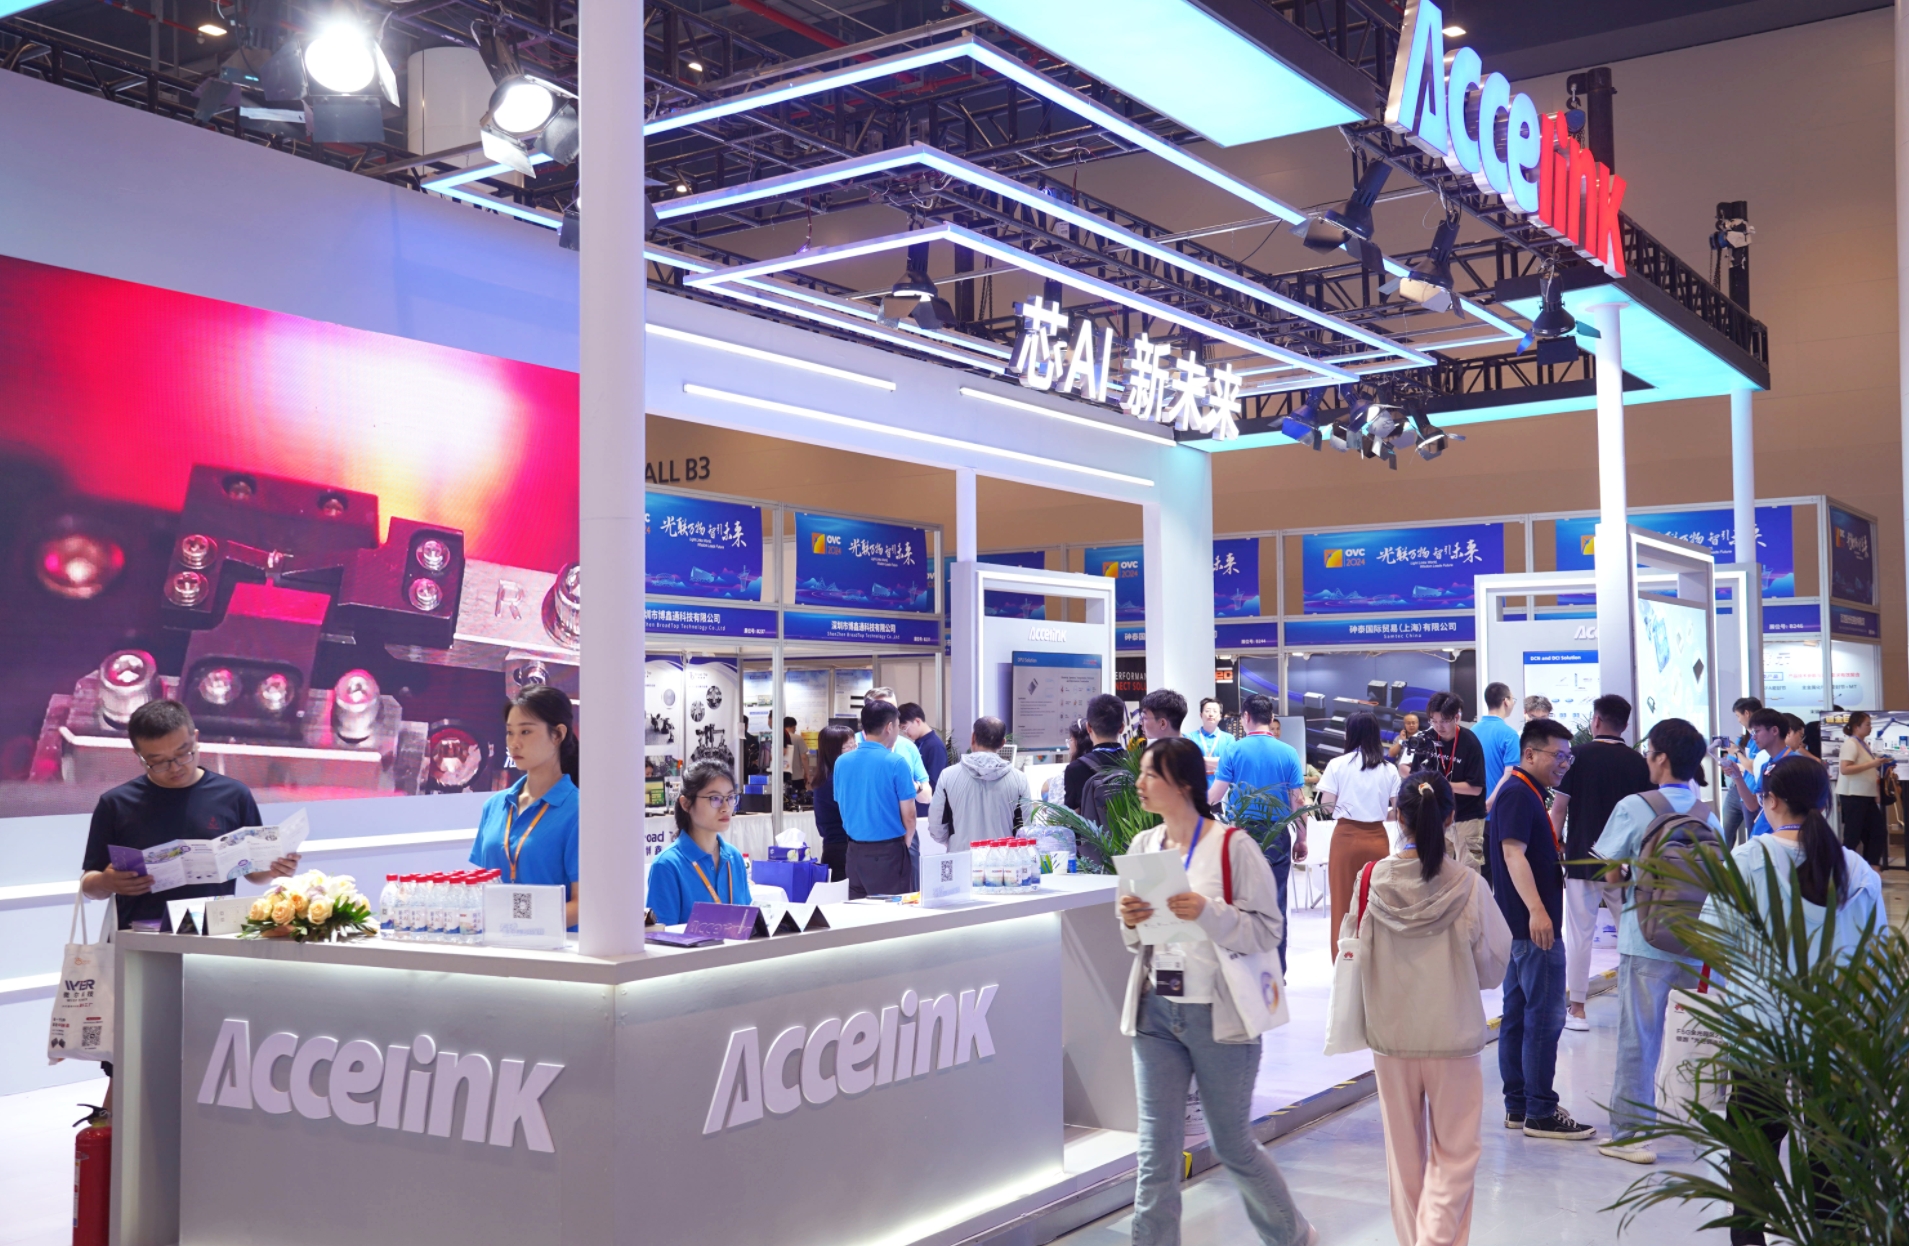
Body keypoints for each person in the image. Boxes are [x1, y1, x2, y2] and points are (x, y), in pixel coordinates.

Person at [1116, 738, 1316, 1246]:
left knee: (1232, 1145)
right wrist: (1131, 921)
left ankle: (1293, 1235)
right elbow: (1135, 940)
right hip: (1155, 1012)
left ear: (1183, 784)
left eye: (1150, 774)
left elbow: (1268, 930)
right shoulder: (1144, 847)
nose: (1139, 783)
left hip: (1220, 1015)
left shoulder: (1232, 847)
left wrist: (1208, 912)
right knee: (1155, 1153)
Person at [1701, 753, 1885, 1245]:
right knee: (1832, 1151)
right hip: (1838, 1030)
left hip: (1761, 1028)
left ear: (1772, 801)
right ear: (1824, 802)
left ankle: (1749, 1238)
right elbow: (1875, 956)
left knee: (1753, 1145)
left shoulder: (1748, 860)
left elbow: (1713, 941)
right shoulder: (1857, 868)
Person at [1362, 772, 1512, 1246]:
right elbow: (1493, 964)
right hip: (1452, 1034)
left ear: (1398, 817)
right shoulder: (1468, 885)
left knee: (1403, 1157)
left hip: (1390, 1035)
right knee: (1456, 1154)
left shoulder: (1372, 879)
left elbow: (1356, 952)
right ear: (1450, 818)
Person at [1588, 716, 1719, 1164]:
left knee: (1638, 1037)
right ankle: (1704, 1119)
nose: (1646, 757)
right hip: (1695, 939)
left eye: (1649, 751)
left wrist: (1629, 882)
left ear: (1662, 758)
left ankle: (1630, 1135)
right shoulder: (1707, 814)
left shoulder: (1634, 806)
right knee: (1699, 1033)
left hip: (1643, 938)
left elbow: (1607, 870)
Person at [81, 699, 300, 931]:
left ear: (195, 738)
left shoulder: (234, 795)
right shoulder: (116, 803)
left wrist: (274, 869)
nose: (175, 768)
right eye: (158, 762)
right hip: (138, 938)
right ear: (139, 755)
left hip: (213, 933)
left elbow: (254, 874)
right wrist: (105, 882)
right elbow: (89, 885)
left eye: (183, 753)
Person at [1488, 716, 1595, 1141]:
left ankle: (1519, 1106)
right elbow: (1513, 854)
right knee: (1544, 1017)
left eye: (1568, 757)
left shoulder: (1524, 790)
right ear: (1530, 753)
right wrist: (1538, 910)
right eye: (1559, 755)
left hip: (1519, 927)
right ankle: (1540, 1111)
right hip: (1532, 927)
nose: (1564, 764)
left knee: (1518, 1015)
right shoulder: (1518, 792)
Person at [1550, 694, 1652, 1032]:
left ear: (1595, 721)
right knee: (1631, 934)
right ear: (1625, 725)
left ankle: (1577, 1008)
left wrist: (1553, 846)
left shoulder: (1576, 757)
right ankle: (1634, 1004)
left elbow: (1559, 810)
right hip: (1624, 862)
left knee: (1579, 934)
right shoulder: (1639, 763)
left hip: (1582, 855)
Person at [1209, 693, 1309, 971]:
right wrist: (1302, 839)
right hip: (1277, 834)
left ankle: (1246, 968)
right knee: (1276, 902)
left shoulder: (1233, 750)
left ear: (1246, 717)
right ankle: (1276, 971)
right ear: (1271, 718)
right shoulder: (1288, 752)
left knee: (1241, 902)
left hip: (1241, 835)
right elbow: (1298, 801)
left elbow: (1215, 795)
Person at [469, 686, 582, 929]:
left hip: (556, 947)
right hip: (494, 944)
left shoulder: (580, 811)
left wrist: (518, 922)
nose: (514, 743)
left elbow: (584, 904)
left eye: (526, 732)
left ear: (558, 735)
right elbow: (482, 885)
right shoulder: (494, 806)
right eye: (510, 732)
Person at [1314, 712, 1399, 968]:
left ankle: (1344, 966)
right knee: (1377, 905)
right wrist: (1379, 812)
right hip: (1378, 840)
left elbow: (1326, 808)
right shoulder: (1389, 768)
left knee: (1342, 904)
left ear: (1349, 734)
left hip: (1345, 840)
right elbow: (1399, 811)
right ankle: (1376, 967)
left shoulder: (1337, 765)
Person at [647, 759, 753, 925]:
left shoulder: (734, 857)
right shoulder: (667, 865)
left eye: (730, 797)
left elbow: (747, 923)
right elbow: (661, 936)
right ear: (686, 804)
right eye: (715, 798)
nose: (725, 807)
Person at [834, 700, 918, 898]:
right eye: (897, 726)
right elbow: (909, 816)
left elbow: (842, 804)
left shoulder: (841, 762)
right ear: (889, 727)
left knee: (860, 910)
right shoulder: (896, 762)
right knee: (891, 911)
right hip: (888, 853)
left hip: (854, 852)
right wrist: (905, 845)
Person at [928, 716, 1031, 853]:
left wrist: (955, 841)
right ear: (1003, 743)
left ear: (973, 738)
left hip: (961, 858)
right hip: (1004, 860)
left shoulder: (947, 776)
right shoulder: (1019, 779)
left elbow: (936, 825)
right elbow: (1025, 829)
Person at [1411, 693, 1488, 871]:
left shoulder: (1470, 742)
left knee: (1471, 869)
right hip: (1437, 816)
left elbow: (1476, 788)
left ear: (1457, 717)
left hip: (1468, 819)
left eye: (1444, 721)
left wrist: (1441, 785)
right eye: (1434, 721)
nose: (1439, 726)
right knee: (1436, 869)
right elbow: (1415, 776)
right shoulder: (1426, 739)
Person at [1725, 709, 1792, 840]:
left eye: (1757, 731)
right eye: (1753, 732)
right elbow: (1753, 805)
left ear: (1774, 731)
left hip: (1780, 839)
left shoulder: (1796, 763)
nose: (1753, 737)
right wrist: (1737, 776)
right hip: (1761, 836)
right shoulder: (1766, 766)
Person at [1836, 711, 1889, 868]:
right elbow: (1845, 769)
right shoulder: (1851, 744)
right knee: (1853, 836)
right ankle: (1844, 870)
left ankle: (1870, 867)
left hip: (1865, 795)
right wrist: (1873, 763)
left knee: (1877, 832)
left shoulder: (1863, 744)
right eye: (1867, 724)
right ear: (1856, 726)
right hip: (1853, 795)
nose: (1870, 727)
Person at [1064, 693, 1129, 812]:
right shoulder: (1137, 762)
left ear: (1088, 727)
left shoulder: (1075, 769)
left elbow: (1071, 816)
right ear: (1122, 728)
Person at [810, 724, 856, 883]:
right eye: (848, 747)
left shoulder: (828, 777)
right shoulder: (834, 781)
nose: (854, 750)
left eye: (855, 745)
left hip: (836, 847)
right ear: (833, 750)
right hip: (842, 850)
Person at [1720, 697, 1765, 844]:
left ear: (1747, 713)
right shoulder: (1744, 740)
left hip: (1752, 790)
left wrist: (1737, 753)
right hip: (1737, 788)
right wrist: (1728, 766)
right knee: (1725, 833)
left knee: (1754, 835)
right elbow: (1733, 764)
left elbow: (1753, 768)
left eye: (1738, 716)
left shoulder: (1760, 741)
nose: (1738, 720)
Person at [1473, 682, 1522, 811]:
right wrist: (1489, 804)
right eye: (1513, 699)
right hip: (1498, 808)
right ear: (1506, 701)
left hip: (1474, 808)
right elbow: (1510, 774)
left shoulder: (1472, 731)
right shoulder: (1510, 735)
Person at [899, 702, 947, 817]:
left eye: (905, 728)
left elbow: (935, 783)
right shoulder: (917, 744)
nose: (905, 734)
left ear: (917, 721)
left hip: (927, 809)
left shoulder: (935, 746)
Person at [1046, 719, 1094, 804]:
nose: (1068, 744)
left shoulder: (1062, 779)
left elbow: (1056, 811)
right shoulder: (1106, 769)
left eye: (1071, 739)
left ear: (1078, 743)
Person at [1191, 696, 1235, 775]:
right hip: (1196, 782)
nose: (1211, 714)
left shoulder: (1229, 739)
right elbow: (1188, 762)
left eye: (1215, 711)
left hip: (1222, 782)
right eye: (1207, 711)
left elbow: (1231, 763)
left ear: (1220, 716)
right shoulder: (1190, 737)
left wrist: (1199, 761)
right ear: (1201, 715)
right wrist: (1220, 762)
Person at [781, 717, 809, 799]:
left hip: (782, 777)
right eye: (795, 727)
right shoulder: (798, 738)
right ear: (792, 726)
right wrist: (807, 773)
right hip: (797, 777)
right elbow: (804, 757)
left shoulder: (778, 737)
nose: (795, 730)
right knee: (799, 799)